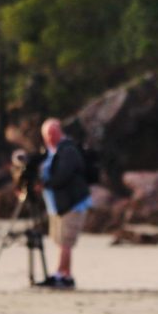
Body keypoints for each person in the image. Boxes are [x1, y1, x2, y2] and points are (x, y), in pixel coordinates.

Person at [37, 118, 92, 289]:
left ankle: (62, 274)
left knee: (65, 241)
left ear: (60, 132)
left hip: (72, 203)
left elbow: (63, 176)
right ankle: (64, 273)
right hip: (57, 205)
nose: (50, 137)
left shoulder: (68, 150)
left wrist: (44, 184)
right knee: (60, 240)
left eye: (53, 133)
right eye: (47, 134)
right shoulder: (49, 152)